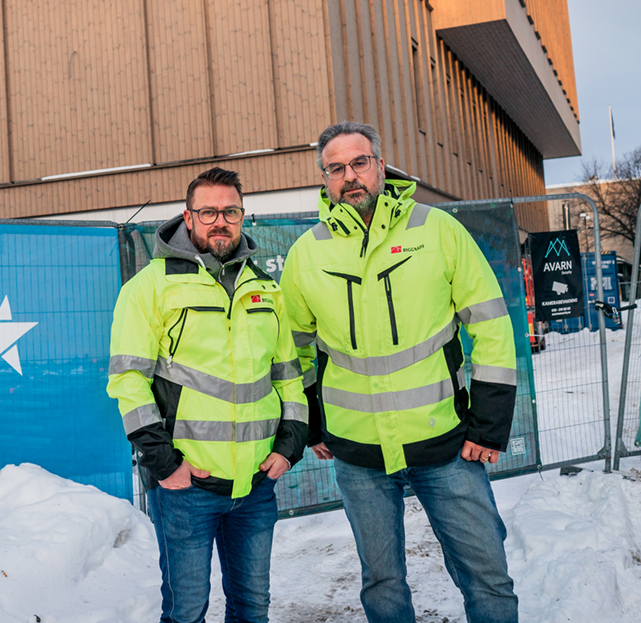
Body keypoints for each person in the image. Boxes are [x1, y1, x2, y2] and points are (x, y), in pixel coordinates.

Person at [281, 122, 519, 623]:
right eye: (336, 168)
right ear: (324, 178)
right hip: (357, 454)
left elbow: (492, 326)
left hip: (446, 442)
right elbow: (295, 350)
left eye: (359, 162)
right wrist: (316, 424)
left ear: (381, 166)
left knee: (488, 575)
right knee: (382, 585)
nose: (350, 176)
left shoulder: (437, 230)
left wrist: (489, 423)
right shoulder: (307, 253)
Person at [107, 167, 309, 623]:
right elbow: (128, 381)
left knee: (253, 609)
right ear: (188, 217)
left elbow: (287, 376)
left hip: (257, 485)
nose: (221, 221)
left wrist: (290, 446)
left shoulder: (265, 288)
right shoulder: (149, 288)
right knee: (186, 613)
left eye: (231, 211)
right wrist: (166, 465)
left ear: (243, 216)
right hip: (187, 487)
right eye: (209, 212)